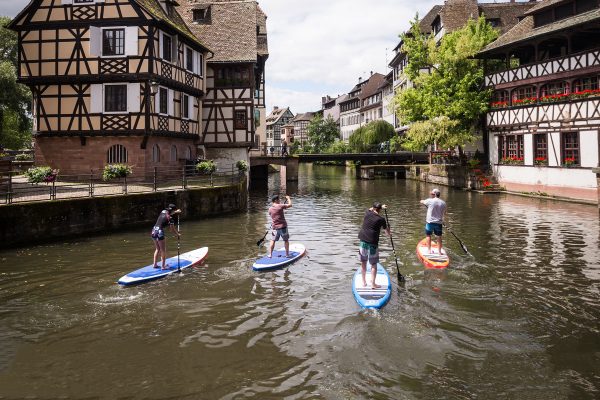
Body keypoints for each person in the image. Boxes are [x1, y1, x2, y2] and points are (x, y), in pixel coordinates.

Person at [358, 202, 391, 288]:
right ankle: (373, 284)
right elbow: (387, 233)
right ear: (380, 210)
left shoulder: (367, 213)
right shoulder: (381, 219)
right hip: (373, 243)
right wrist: (389, 230)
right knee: (373, 264)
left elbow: (371, 209)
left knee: (363, 262)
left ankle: (364, 282)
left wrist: (380, 207)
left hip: (363, 241)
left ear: (373, 208)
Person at [151, 203, 181, 270]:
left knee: (157, 249)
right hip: (159, 232)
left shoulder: (163, 211)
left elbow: (170, 212)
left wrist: (176, 212)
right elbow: (172, 230)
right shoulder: (170, 219)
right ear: (173, 211)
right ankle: (163, 266)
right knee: (163, 250)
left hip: (153, 230)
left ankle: (155, 264)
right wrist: (177, 234)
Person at [420, 188, 447, 255]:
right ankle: (439, 252)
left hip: (430, 222)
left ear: (434, 194)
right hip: (439, 223)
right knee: (439, 237)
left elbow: (422, 201)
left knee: (428, 235)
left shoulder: (430, 201)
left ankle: (429, 251)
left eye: (432, 193)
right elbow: (444, 213)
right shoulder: (443, 203)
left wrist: (422, 201)